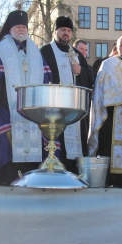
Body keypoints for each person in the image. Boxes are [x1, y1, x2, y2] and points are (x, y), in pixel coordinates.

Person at [0, 10, 52, 185]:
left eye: (23, 27)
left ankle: (30, 178)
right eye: (17, 27)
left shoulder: (34, 49)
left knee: (34, 144)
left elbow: (46, 76)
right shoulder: (0, 48)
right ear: (10, 29)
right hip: (5, 107)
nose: (21, 30)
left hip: (32, 110)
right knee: (5, 145)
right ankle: (7, 178)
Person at [40, 16, 93, 174]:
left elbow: (91, 76)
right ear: (56, 31)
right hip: (54, 107)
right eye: (63, 30)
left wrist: (81, 71)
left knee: (76, 141)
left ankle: (74, 173)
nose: (66, 33)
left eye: (69, 31)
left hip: (75, 110)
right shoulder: (45, 52)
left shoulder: (76, 53)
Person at [88, 35, 122, 187]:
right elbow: (99, 90)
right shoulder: (108, 64)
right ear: (117, 48)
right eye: (121, 45)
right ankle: (111, 180)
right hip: (111, 114)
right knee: (109, 144)